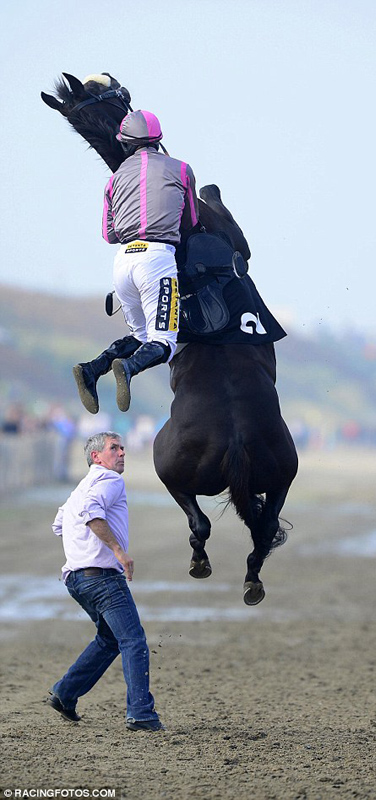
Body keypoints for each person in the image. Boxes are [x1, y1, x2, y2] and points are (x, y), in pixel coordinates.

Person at [73, 109, 200, 414]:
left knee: (140, 335)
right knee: (165, 343)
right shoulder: (181, 169)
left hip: (123, 263)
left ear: (125, 144)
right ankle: (127, 369)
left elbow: (108, 233)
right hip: (158, 260)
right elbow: (192, 221)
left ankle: (92, 368)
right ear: (158, 140)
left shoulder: (113, 180)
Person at [48, 431, 164, 732]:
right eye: (114, 448)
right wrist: (116, 550)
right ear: (96, 457)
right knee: (133, 640)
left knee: (110, 639)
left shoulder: (82, 487)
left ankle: (65, 693)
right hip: (102, 578)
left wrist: (83, 546)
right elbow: (90, 513)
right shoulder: (111, 481)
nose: (122, 452)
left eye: (123, 447)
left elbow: (59, 523)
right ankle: (141, 713)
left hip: (76, 580)